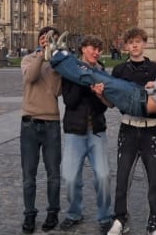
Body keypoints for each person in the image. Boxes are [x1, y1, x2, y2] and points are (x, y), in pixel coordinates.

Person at [108, 27, 156, 235]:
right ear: (126, 46)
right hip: (128, 129)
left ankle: (155, 224)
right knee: (122, 178)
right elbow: (112, 102)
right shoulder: (119, 71)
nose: (134, 45)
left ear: (144, 44)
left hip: (151, 130)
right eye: (131, 42)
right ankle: (120, 219)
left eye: (138, 41)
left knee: (154, 180)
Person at [58, 35, 112, 235]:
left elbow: (103, 108)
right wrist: (84, 80)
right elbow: (70, 101)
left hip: (97, 131)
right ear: (82, 49)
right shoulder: (69, 70)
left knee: (103, 177)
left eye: (98, 49)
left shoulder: (102, 72)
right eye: (92, 48)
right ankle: (74, 213)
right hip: (75, 131)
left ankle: (104, 216)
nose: (96, 52)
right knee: (71, 178)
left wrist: (98, 94)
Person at [20, 26, 63, 234]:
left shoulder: (58, 63)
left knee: (53, 173)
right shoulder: (28, 59)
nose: (49, 41)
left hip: (51, 123)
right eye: (46, 38)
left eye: (53, 39)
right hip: (29, 123)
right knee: (29, 174)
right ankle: (29, 213)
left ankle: (53, 212)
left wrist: (54, 62)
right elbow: (30, 78)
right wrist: (41, 56)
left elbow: (57, 91)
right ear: (39, 40)